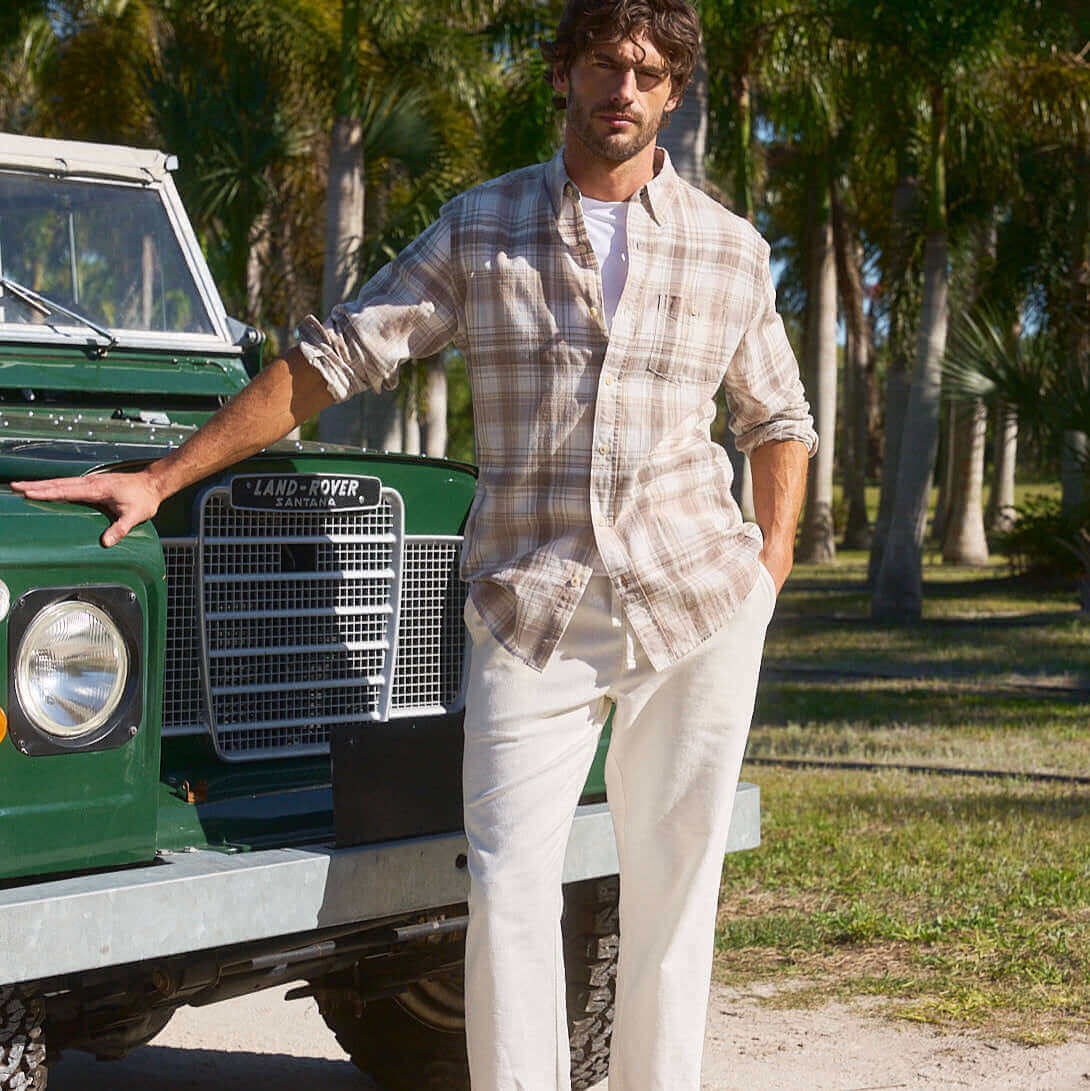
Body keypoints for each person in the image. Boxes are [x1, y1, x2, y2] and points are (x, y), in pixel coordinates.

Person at [13, 0, 816, 1086]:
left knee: (675, 891)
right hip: (536, 609)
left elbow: (778, 419)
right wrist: (161, 475)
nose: (621, 88)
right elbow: (337, 357)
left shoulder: (728, 248)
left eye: (646, 70)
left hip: (694, 606)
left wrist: (765, 573)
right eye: (600, 63)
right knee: (509, 886)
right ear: (563, 77)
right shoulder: (483, 226)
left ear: (672, 92)